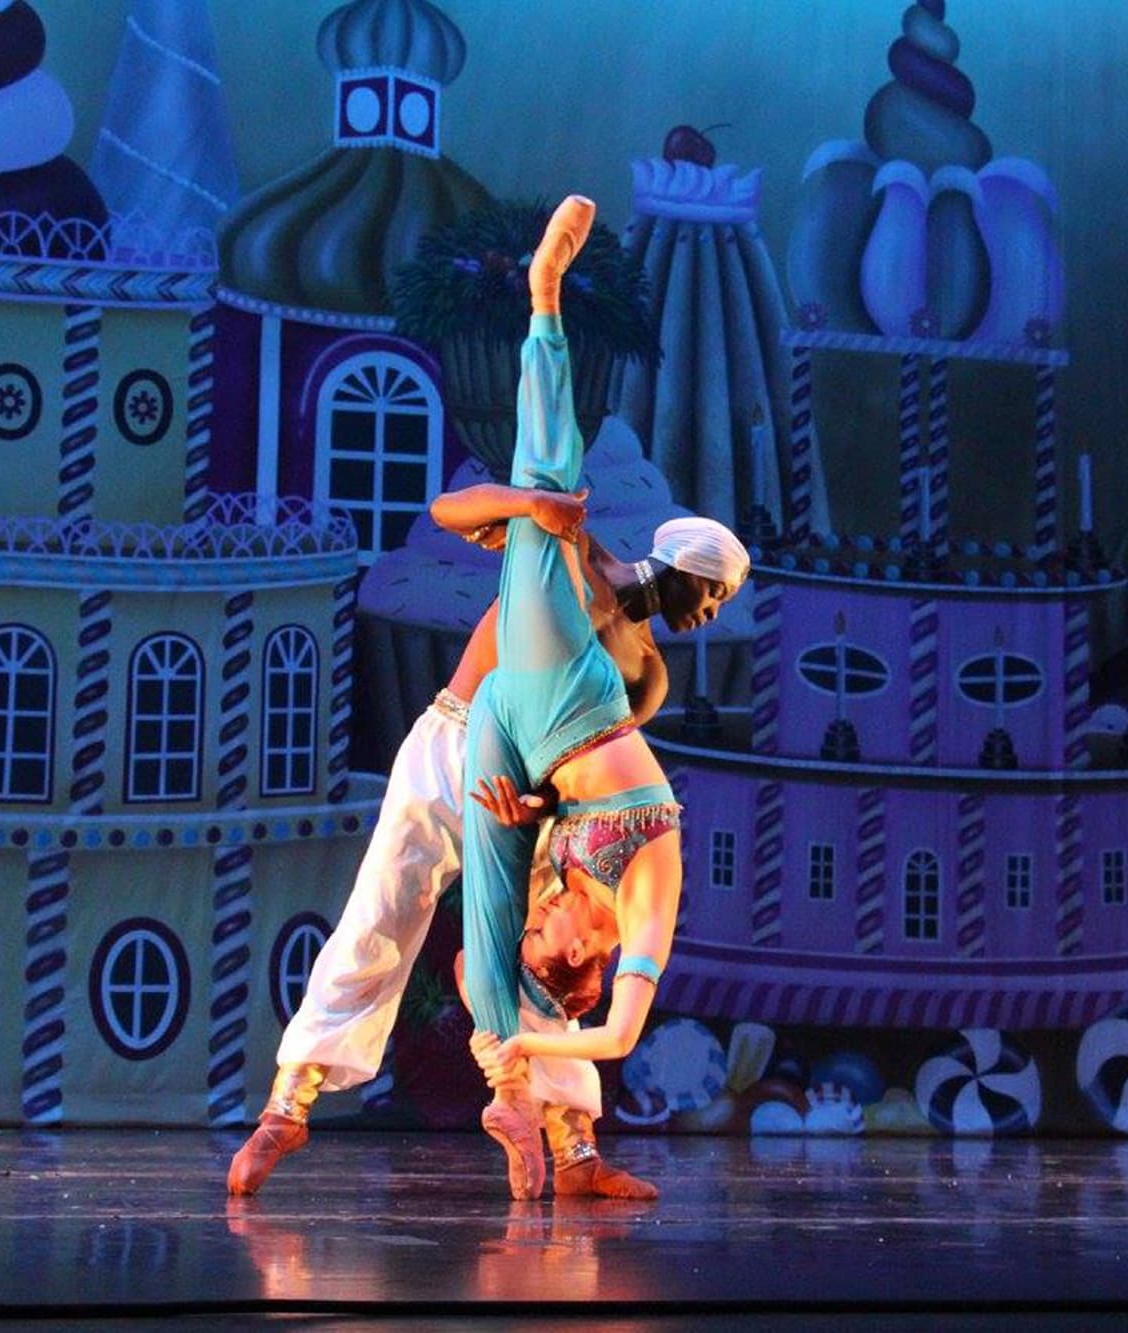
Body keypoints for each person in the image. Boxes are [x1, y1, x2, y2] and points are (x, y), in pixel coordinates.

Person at [224, 215, 744, 1204]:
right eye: (704, 589)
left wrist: (545, 822)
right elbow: (444, 515)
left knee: (512, 957)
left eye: (711, 602)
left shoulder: (636, 664)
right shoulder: (575, 564)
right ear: (674, 564)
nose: (704, 612)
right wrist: (525, 508)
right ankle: (287, 1105)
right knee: (384, 910)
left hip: (523, 787)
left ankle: (561, 1138)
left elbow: (594, 771)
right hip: (454, 740)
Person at [452, 194, 749, 1200]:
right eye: (707, 593)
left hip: (518, 739)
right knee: (547, 482)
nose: (547, 925)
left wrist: (514, 1035)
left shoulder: (565, 893)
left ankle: (532, 1124)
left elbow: (547, 847)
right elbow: (619, 1028)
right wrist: (545, 521)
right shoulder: (644, 902)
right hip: (561, 693)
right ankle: (544, 298)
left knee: (478, 950)